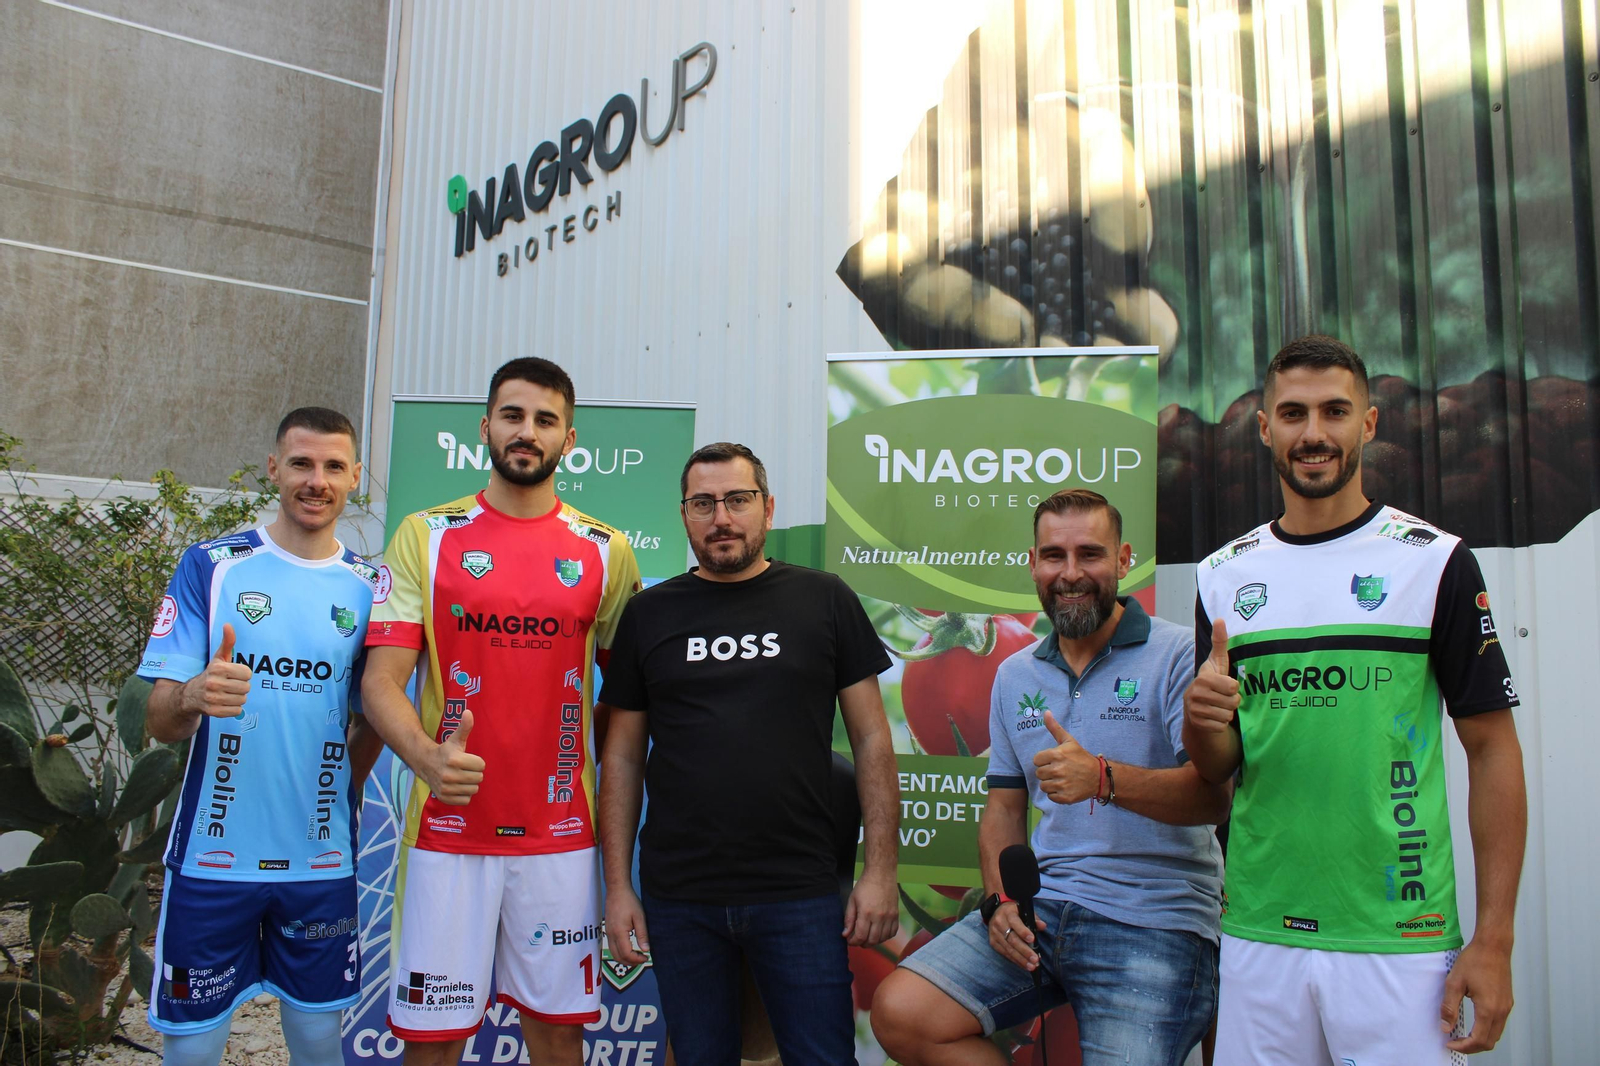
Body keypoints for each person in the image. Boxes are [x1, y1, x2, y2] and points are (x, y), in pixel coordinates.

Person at [1184, 334, 1528, 1062]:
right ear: (1265, 428)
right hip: (1258, 935)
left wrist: (1493, 940)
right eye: (1295, 413)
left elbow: (1493, 749)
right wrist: (1201, 722)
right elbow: (1218, 767)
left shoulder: (1433, 562)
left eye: (1335, 411)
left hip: (1398, 941)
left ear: (1368, 423)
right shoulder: (1221, 577)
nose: (1315, 434)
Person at [870, 489, 1229, 1066]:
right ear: (1032, 564)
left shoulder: (1177, 655)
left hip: (1155, 920)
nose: (1071, 574)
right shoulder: (1013, 674)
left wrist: (1103, 779)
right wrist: (999, 901)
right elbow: (1004, 810)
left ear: (1123, 560)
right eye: (1054, 556)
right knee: (902, 1014)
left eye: (1090, 554)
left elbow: (1213, 798)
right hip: (1047, 909)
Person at [360, 358, 640, 1066]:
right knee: (435, 1041)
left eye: (545, 420)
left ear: (568, 439)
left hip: (561, 837)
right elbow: (380, 682)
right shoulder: (426, 535)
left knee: (556, 1035)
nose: (527, 432)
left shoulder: (606, 551)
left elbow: (630, 701)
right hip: (447, 834)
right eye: (513, 416)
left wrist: (571, 748)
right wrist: (427, 758)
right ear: (486, 428)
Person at [597, 441, 899, 1066]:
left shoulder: (823, 599)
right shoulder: (649, 615)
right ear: (684, 514)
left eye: (737, 500)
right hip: (681, 897)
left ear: (767, 508)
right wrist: (619, 886)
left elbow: (872, 738)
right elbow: (621, 758)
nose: (721, 518)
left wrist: (879, 870)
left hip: (799, 890)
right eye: (703, 503)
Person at [140, 407, 383, 1066]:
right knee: (191, 1048)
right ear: (274, 468)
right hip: (212, 863)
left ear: (355, 478)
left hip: (320, 863)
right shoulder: (211, 567)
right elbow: (159, 721)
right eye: (301, 463)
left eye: (334, 466)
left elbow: (376, 716)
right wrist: (193, 695)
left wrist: (338, 787)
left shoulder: (370, 588)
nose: (316, 480)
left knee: (315, 1041)